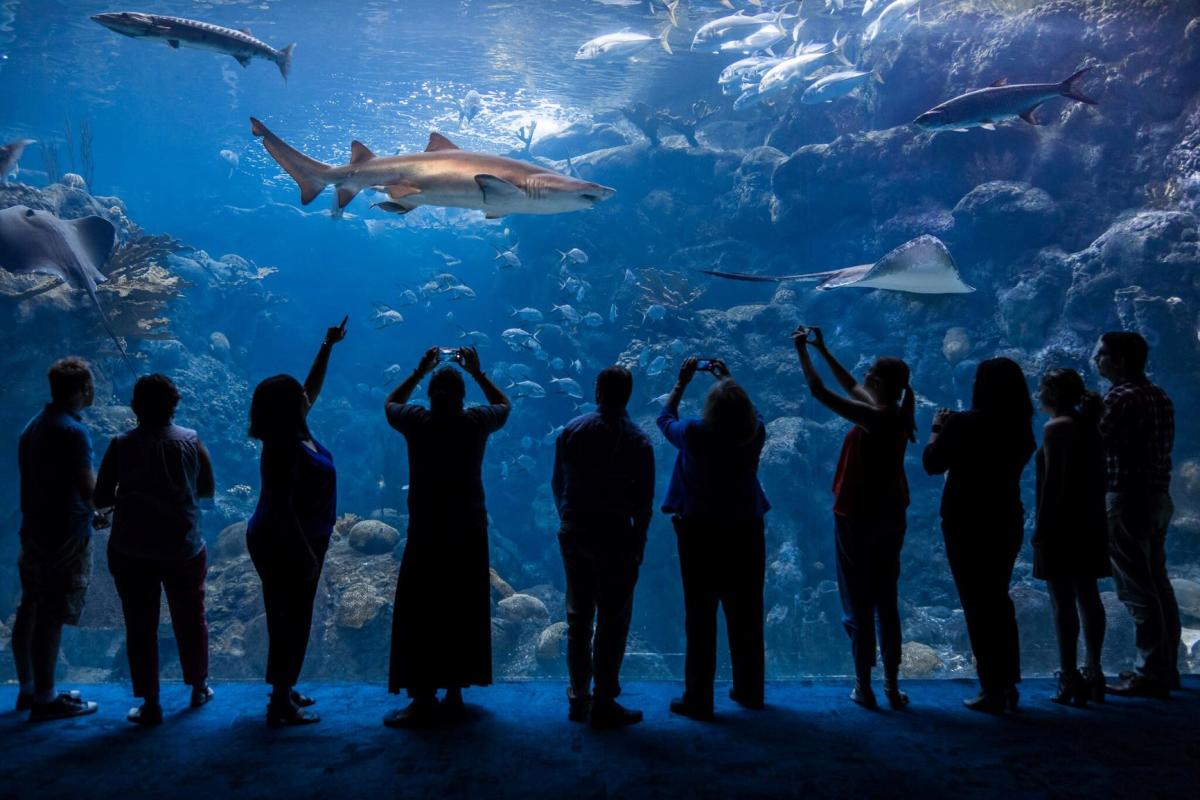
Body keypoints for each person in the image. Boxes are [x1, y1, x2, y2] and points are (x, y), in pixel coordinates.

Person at [383, 346, 511, 727]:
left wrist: (419, 369)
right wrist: (478, 372)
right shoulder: (475, 423)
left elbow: (390, 401)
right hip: (469, 529)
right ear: (462, 397)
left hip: (426, 529)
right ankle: (455, 691)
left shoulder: (418, 422)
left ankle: (423, 698)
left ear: (429, 395)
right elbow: (504, 404)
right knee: (463, 606)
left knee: (422, 609)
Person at [793, 326, 915, 709]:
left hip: (858, 519)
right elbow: (851, 388)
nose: (862, 380)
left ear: (878, 383)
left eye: (868, 377)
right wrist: (824, 350)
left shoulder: (876, 420)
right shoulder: (894, 412)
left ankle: (864, 686)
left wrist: (801, 352)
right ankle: (893, 686)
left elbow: (820, 392)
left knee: (858, 602)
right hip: (890, 517)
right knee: (887, 601)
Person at [94, 374, 217, 724]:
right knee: (191, 618)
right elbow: (207, 489)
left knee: (140, 623)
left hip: (132, 549)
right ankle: (198, 686)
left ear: (135, 407)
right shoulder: (192, 440)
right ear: (175, 404)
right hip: (184, 546)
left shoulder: (120, 444)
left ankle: (151, 702)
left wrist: (132, 496)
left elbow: (101, 496)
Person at [246, 317, 347, 726]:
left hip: (300, 538)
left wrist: (327, 346)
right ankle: (279, 704)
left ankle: (284, 689)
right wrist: (304, 552)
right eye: (299, 395)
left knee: (292, 615)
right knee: (290, 617)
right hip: (285, 540)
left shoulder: (296, 430)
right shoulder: (282, 448)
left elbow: (313, 387)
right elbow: (283, 509)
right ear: (289, 406)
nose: (307, 395)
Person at [659, 357, 770, 721]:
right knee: (747, 614)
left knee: (701, 617)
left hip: (700, 534)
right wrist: (729, 380)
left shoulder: (694, 433)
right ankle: (750, 689)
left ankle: (698, 698)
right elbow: (753, 415)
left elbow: (665, 420)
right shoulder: (755, 433)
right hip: (745, 533)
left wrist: (681, 383)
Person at [922, 357, 1035, 714]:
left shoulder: (962, 423)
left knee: (977, 604)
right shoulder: (1021, 427)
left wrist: (937, 428)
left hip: (967, 522)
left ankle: (992, 688)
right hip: (1005, 518)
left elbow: (932, 463)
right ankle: (1008, 683)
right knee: (998, 601)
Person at [551, 366, 654, 728]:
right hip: (615, 535)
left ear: (597, 391)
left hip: (575, 528)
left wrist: (567, 519)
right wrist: (638, 541)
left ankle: (579, 698)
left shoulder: (572, 431)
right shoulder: (638, 440)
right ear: (628, 395)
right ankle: (605, 701)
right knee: (612, 620)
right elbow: (644, 502)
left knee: (579, 619)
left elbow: (558, 483)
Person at [12, 357, 104, 721]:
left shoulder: (33, 426)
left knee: (30, 608)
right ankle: (47, 700)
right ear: (83, 389)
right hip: (64, 535)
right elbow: (86, 485)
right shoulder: (73, 431)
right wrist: (107, 504)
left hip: (34, 529)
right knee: (51, 614)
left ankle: (28, 689)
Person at [1092, 332, 1179, 697]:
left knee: (1136, 587)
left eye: (1102, 355)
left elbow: (1097, 440)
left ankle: (1150, 672)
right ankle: (1165, 667)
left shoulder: (1120, 397)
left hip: (1127, 498)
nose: (1096, 359)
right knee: (1158, 582)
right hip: (1158, 496)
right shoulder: (1159, 395)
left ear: (1121, 361)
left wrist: (1086, 413)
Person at [1032, 368, 1109, 707]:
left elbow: (1054, 484)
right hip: (1090, 521)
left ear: (1053, 394)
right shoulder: (1090, 425)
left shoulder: (1056, 428)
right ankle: (1095, 671)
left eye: (1040, 389)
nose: (1036, 395)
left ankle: (1068, 676)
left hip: (1062, 525)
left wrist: (1042, 528)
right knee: (1089, 595)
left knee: (1062, 601)